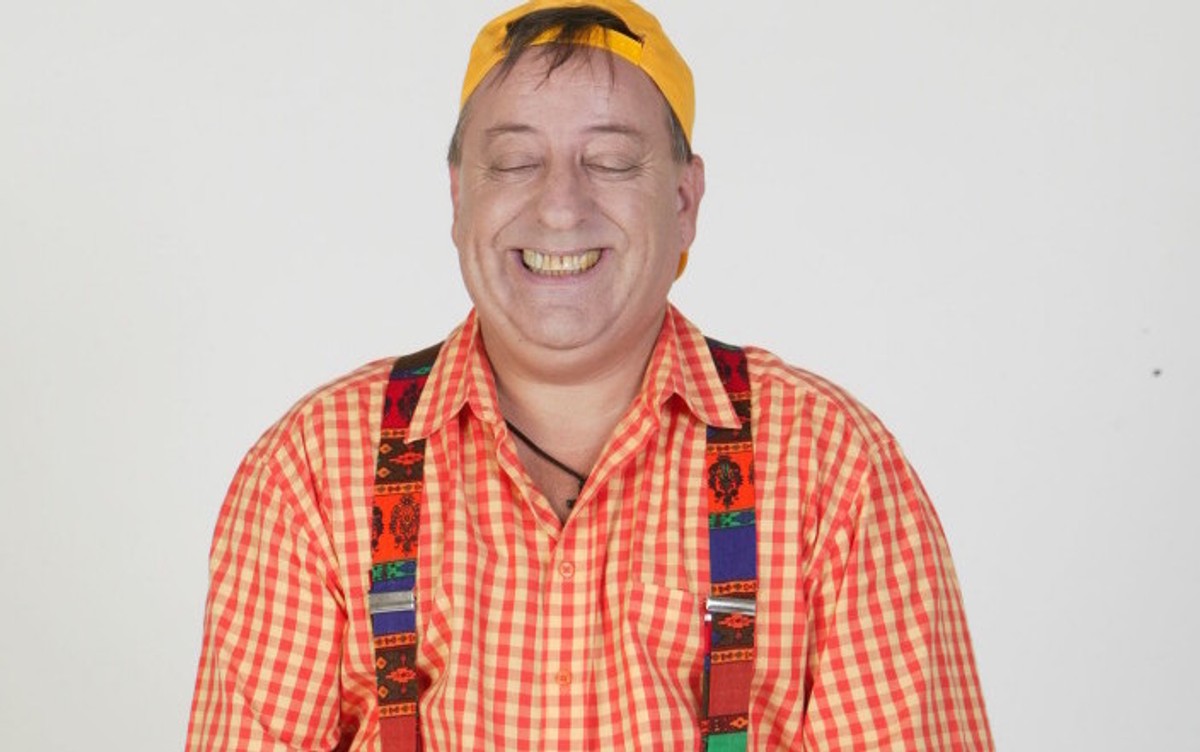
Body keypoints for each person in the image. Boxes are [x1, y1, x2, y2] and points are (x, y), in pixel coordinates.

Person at [187, 1, 993, 749]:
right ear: (459, 197)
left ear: (684, 201)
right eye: (514, 162)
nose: (561, 207)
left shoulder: (833, 470)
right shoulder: (313, 472)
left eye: (609, 161)